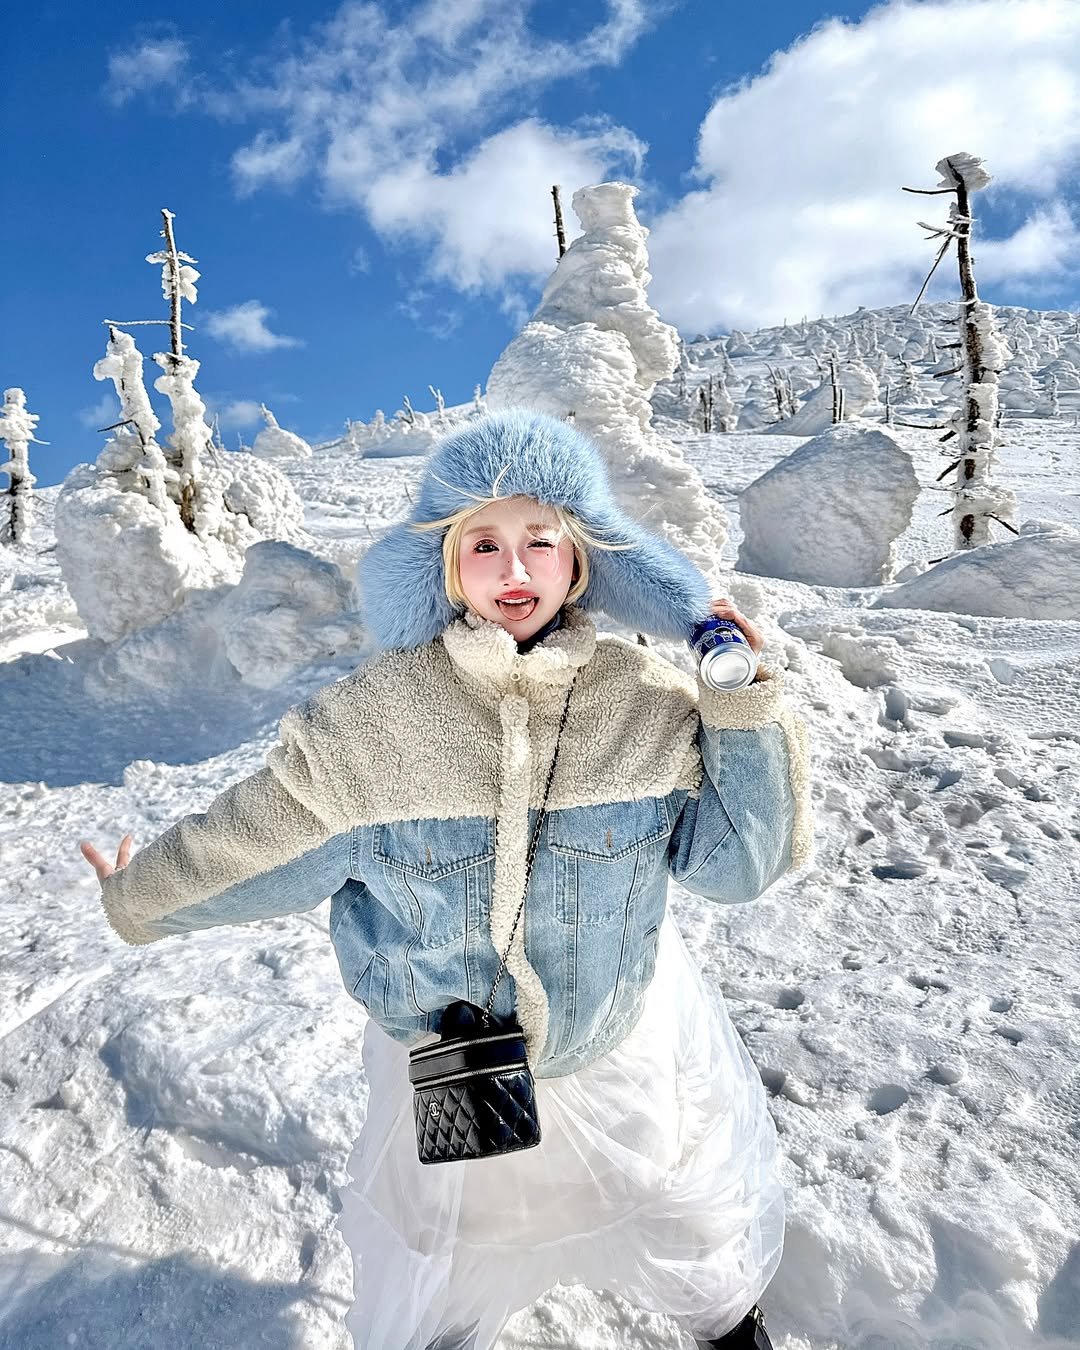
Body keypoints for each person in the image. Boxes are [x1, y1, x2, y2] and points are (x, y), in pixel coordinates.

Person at [81, 410, 811, 1350]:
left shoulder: (648, 707)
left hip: (613, 1053)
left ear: (581, 561)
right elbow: (251, 845)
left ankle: (724, 1328)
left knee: (670, 1213)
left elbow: (739, 866)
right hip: (446, 1076)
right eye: (485, 545)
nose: (515, 570)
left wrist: (742, 712)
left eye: (541, 543)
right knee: (445, 1262)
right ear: (444, 563)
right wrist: (139, 895)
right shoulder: (370, 725)